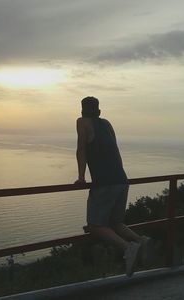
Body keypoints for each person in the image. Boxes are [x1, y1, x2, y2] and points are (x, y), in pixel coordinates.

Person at [74, 96, 149, 277]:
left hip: (105, 182)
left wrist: (81, 177)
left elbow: (81, 149)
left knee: (94, 225)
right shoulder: (107, 124)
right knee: (115, 222)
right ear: (99, 112)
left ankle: (128, 248)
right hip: (122, 180)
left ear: (82, 111)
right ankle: (141, 241)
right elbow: (115, 149)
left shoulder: (82, 122)